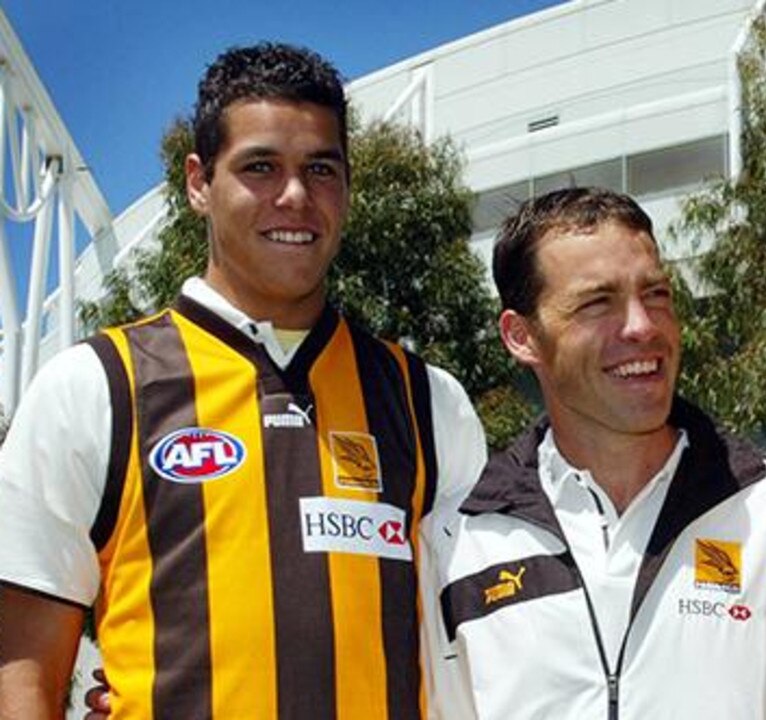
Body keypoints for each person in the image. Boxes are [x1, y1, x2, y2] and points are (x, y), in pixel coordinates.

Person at [0, 42, 486, 719]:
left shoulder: (429, 402)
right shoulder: (94, 387)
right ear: (199, 182)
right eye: (260, 166)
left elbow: (484, 645)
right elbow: (21, 670)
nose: (295, 196)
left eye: (322, 169)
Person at [422, 187, 766, 719]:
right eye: (597, 303)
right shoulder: (455, 543)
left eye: (655, 294)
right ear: (521, 336)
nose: (643, 327)